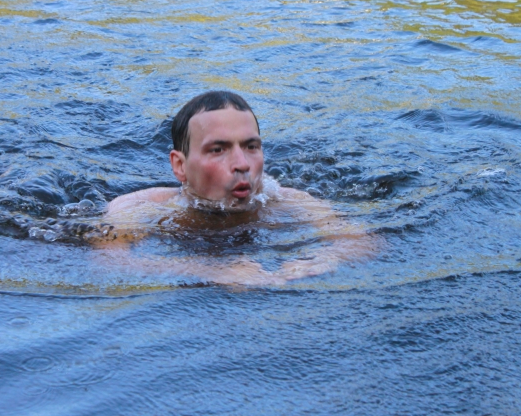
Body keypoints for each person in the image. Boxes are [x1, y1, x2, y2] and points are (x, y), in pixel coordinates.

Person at [90, 90, 376, 285]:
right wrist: (210, 270)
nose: (242, 164)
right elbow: (109, 261)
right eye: (218, 150)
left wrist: (322, 259)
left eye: (251, 147)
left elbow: (363, 241)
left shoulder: (288, 201)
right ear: (180, 165)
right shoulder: (141, 208)